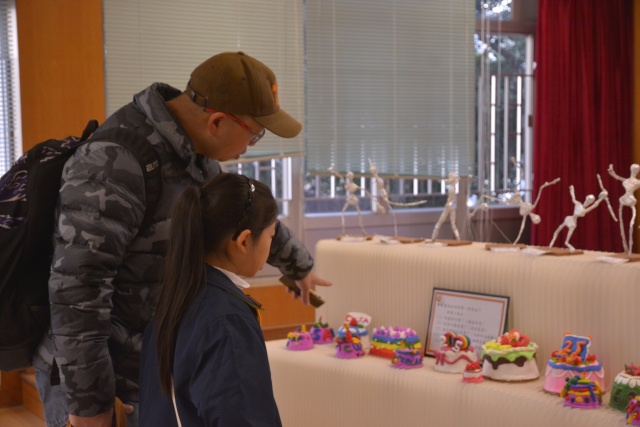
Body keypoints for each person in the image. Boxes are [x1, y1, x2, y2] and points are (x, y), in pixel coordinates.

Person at [33, 51, 332, 427]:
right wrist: (90, 406)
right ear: (217, 121)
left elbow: (238, 213)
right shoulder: (113, 163)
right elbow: (77, 289)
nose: (252, 145)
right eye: (255, 133)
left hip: (147, 368)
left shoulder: (195, 152)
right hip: (100, 381)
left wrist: (298, 266)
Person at [139, 173, 282, 426]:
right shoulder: (227, 322)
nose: (271, 245)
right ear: (244, 241)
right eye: (271, 236)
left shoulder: (176, 299)